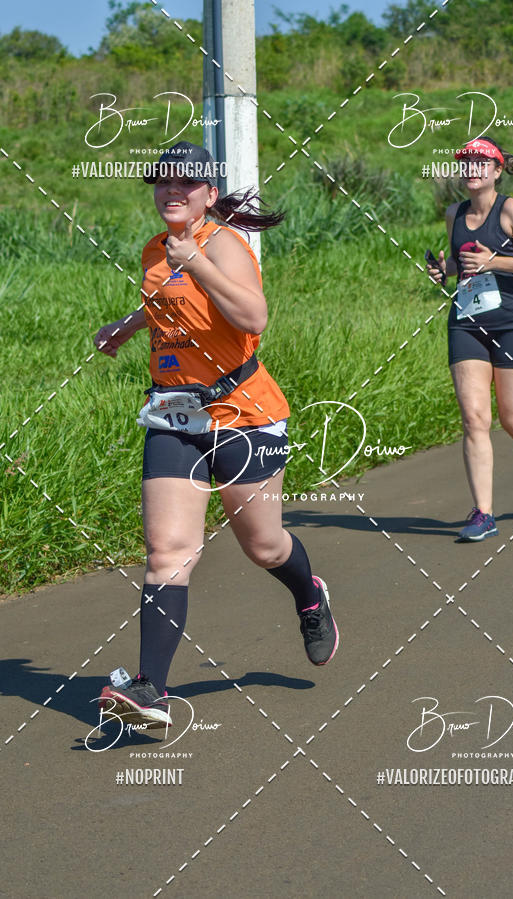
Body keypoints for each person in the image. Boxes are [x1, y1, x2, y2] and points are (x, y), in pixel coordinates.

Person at [93, 141, 338, 728]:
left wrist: (196, 260)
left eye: (184, 184)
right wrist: (126, 328)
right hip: (174, 413)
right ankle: (152, 689)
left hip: (245, 413)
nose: (171, 192)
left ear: (207, 193)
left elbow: (253, 318)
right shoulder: (156, 249)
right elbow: (168, 303)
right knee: (168, 553)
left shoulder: (224, 245)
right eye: (162, 184)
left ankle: (309, 594)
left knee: (264, 547)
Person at [426, 137, 513, 542]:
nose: (471, 169)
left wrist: (494, 261)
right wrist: (445, 270)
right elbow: (460, 259)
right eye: (466, 163)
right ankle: (483, 514)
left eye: (480, 163)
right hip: (467, 322)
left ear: (497, 169)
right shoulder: (455, 212)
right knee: (474, 418)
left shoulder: (511, 210)